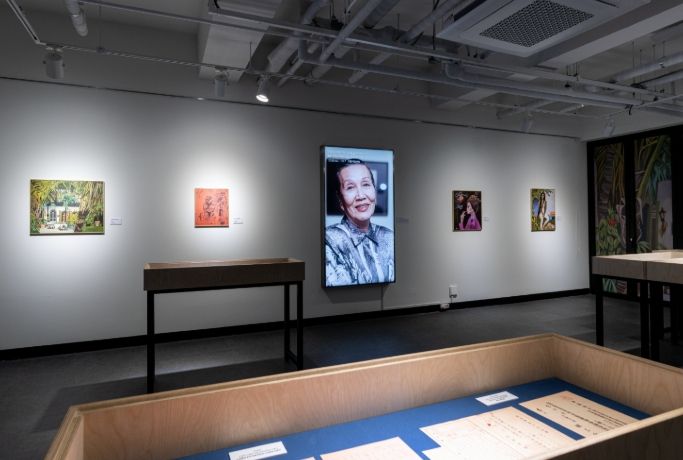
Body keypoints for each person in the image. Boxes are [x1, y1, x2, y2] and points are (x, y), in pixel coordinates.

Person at [325, 159, 394, 286]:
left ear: (374, 189)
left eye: (366, 184)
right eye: (350, 187)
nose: (361, 195)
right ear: (340, 199)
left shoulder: (389, 237)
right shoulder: (330, 240)